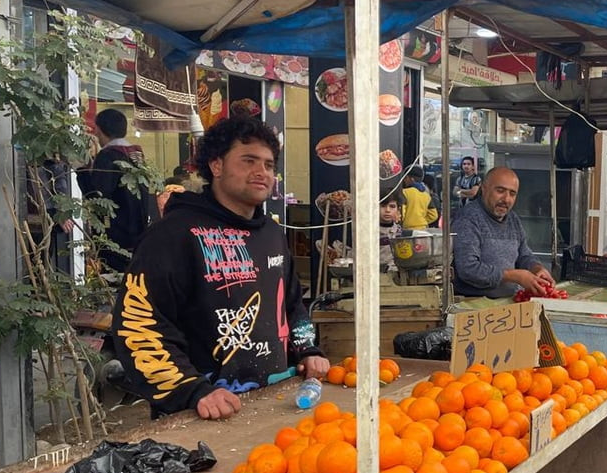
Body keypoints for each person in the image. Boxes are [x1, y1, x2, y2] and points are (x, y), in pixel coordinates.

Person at [110, 118, 328, 420]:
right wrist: (192, 390)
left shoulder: (272, 234)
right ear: (216, 165)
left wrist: (307, 349)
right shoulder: (174, 234)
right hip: (198, 413)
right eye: (248, 161)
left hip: (274, 404)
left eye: (268, 165)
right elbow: (139, 323)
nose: (261, 172)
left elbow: (291, 303)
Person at [452, 166, 554, 298]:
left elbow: (524, 254)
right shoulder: (468, 219)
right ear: (484, 188)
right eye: (500, 191)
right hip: (474, 305)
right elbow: (468, 269)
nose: (506, 199)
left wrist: (536, 267)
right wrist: (513, 276)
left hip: (507, 302)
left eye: (512, 193)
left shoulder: (512, 219)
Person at [77, 108, 153, 274]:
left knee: (115, 282)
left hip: (116, 236)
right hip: (138, 233)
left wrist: (81, 170)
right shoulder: (136, 154)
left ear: (99, 129)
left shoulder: (108, 156)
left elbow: (98, 199)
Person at [379, 190, 402, 270]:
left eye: (392, 206)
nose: (387, 210)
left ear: (398, 209)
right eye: (383, 206)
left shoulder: (399, 231)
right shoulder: (369, 231)